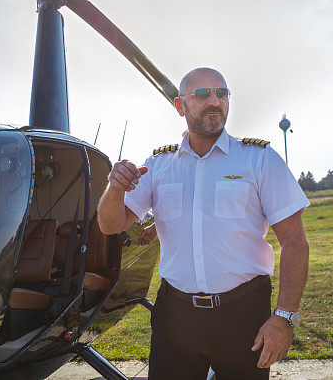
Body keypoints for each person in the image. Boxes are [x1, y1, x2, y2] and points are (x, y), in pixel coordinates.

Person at [98, 67, 310, 379]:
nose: (214, 101)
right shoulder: (159, 165)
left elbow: (294, 242)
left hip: (243, 311)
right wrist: (115, 188)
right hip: (176, 315)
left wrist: (284, 317)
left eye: (221, 93)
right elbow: (110, 225)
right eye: (202, 94)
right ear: (180, 106)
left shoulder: (258, 158)